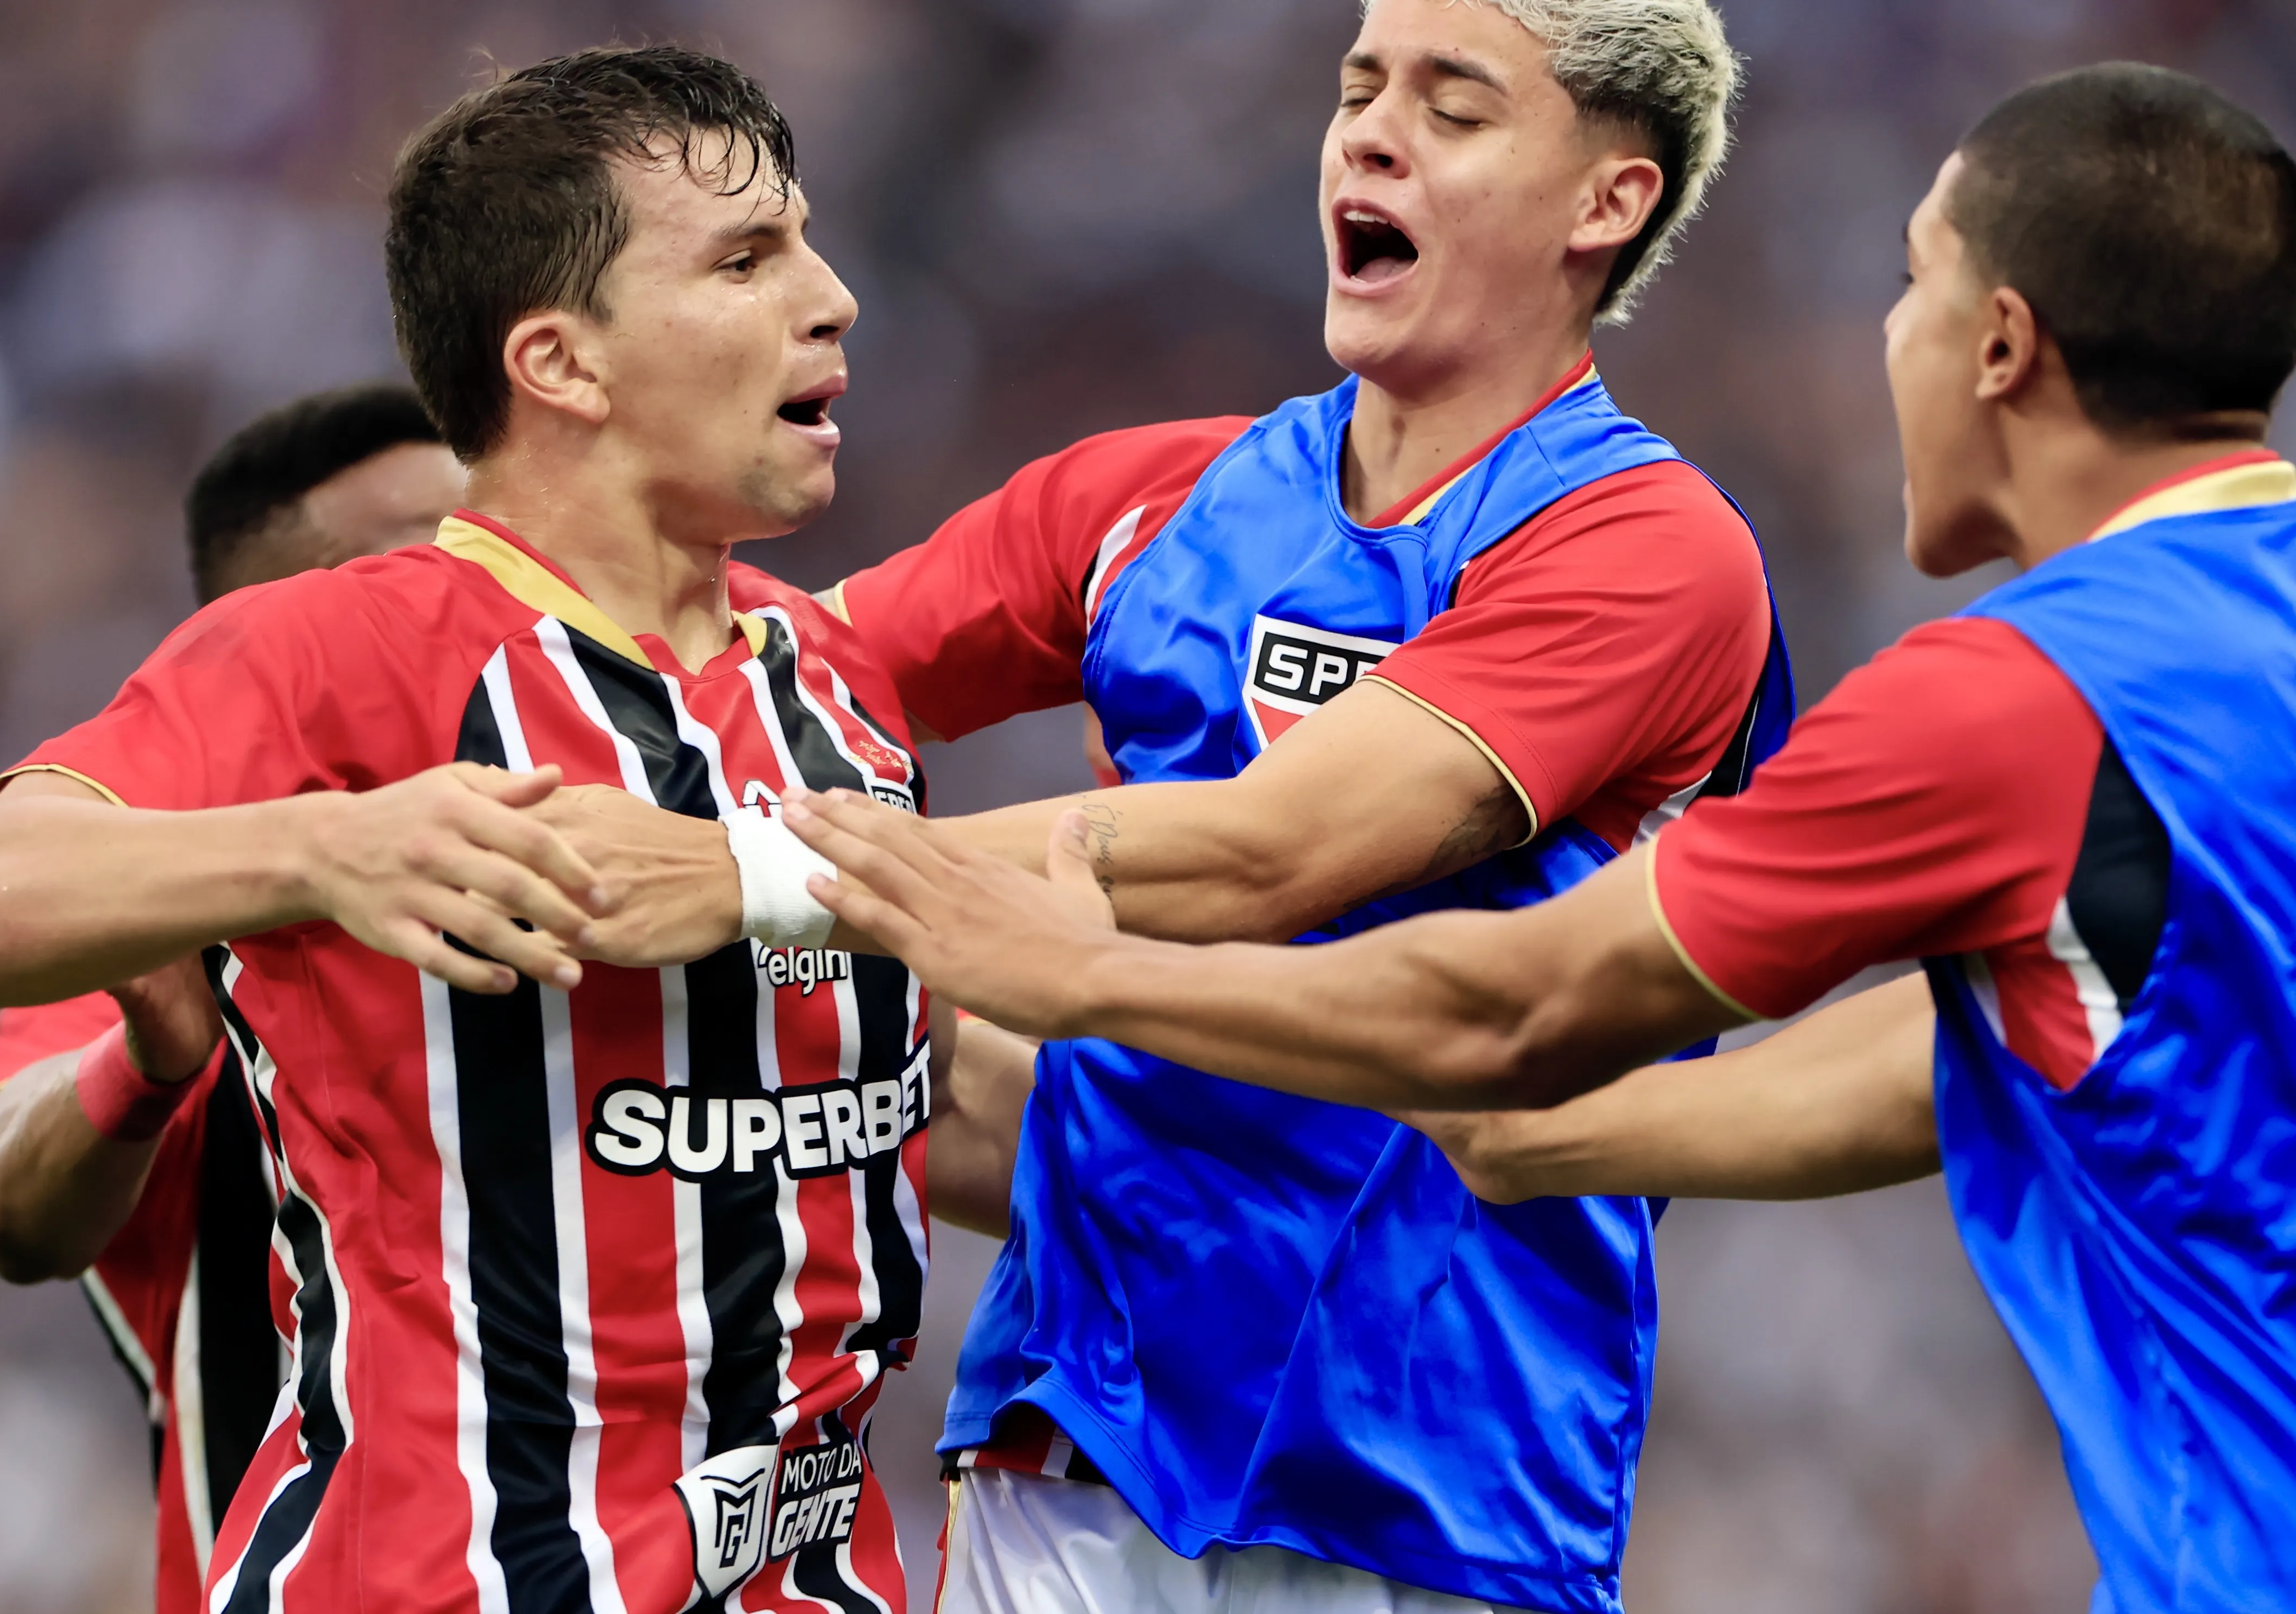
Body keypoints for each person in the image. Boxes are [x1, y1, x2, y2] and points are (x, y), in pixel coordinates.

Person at [784, 62, 2296, 1613]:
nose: (1880, 334)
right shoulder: (2239, 661)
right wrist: (1556, 1140)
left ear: (1997, 346)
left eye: (1907, 281)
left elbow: (1503, 1003)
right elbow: (1994, 1035)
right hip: (1083, 1446)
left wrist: (1065, 964)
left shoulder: (2006, 696)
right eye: (1355, 83)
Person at [538, 3, 1787, 1610]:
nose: (1368, 133)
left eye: (1450, 106)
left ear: (1604, 202)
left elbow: (1269, 850)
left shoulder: (1650, 550)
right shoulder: (1152, 497)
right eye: (1356, 88)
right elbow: (756, 699)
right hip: (1072, 1435)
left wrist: (742, 876)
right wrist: (482, 624)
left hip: (1433, 1473)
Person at [0, 45, 1003, 1613]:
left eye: (808, 241)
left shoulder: (834, 683)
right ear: (561, 364)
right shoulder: (335, 652)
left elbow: (915, 1096)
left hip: (816, 1574)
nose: (830, 298)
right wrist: (319, 851)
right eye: (746, 258)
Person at [0, 382, 463, 1614]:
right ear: (258, 644)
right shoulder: (177, 915)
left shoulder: (620, 870)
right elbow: (13, 1210)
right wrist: (153, 1060)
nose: (470, 597)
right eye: (411, 566)